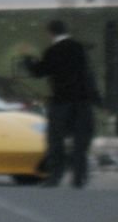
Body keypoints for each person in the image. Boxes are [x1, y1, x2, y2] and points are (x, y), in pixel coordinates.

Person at [24, 20, 101, 188]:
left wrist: (29, 62)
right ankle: (79, 178)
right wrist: (96, 98)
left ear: (50, 33)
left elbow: (40, 72)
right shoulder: (79, 48)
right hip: (82, 101)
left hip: (61, 102)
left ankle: (55, 177)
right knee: (80, 143)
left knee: (56, 140)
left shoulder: (52, 51)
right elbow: (89, 73)